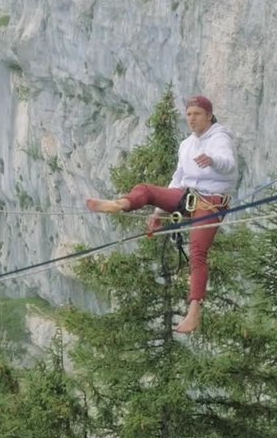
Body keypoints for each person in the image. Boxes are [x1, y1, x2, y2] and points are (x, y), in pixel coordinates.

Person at [85, 95, 239, 334]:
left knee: (198, 252)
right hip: (187, 197)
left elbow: (228, 164)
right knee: (146, 189)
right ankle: (120, 204)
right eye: (188, 114)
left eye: (197, 114)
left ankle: (194, 311)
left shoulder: (220, 138)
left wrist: (212, 161)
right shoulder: (186, 144)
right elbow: (177, 179)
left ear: (209, 115)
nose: (191, 119)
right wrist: (159, 211)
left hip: (211, 203)